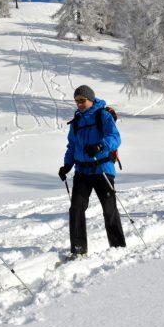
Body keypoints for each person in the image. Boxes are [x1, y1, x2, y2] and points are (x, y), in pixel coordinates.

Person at [58, 85, 126, 258]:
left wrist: (100, 146)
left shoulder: (102, 115)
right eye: (77, 101)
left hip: (102, 168)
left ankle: (118, 247)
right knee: (76, 209)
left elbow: (115, 137)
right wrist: (67, 165)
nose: (79, 104)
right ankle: (79, 250)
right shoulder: (77, 121)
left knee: (109, 209)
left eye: (82, 100)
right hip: (82, 172)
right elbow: (72, 146)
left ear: (90, 99)